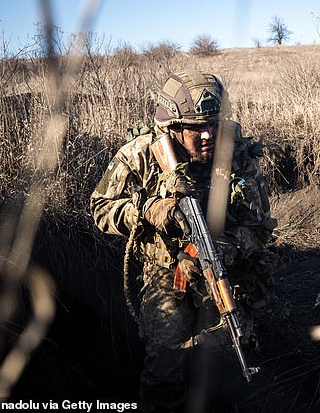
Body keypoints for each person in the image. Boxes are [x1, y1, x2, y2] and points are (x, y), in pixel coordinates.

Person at [90, 69, 277, 412]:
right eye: (196, 128)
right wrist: (148, 210)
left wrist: (225, 248)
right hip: (163, 270)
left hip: (219, 267)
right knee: (166, 361)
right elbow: (100, 208)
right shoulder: (140, 154)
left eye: (214, 124)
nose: (208, 135)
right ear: (172, 127)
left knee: (225, 350)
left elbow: (260, 227)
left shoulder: (237, 154)